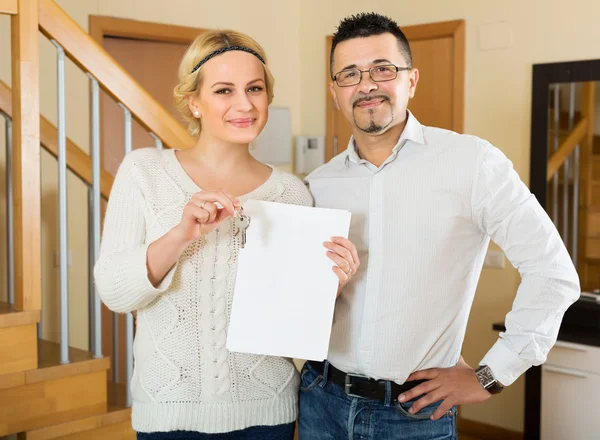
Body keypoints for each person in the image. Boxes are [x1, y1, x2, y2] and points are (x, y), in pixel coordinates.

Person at [299, 12, 580, 440]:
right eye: (350, 74)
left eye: (383, 69)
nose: (367, 84)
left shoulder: (472, 163)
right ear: (336, 92)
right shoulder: (317, 185)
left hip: (413, 414)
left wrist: (492, 374)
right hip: (322, 401)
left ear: (411, 80)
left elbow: (553, 273)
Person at [94, 29, 359, 440]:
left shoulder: (291, 192)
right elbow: (114, 291)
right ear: (193, 102)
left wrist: (331, 287)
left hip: (267, 412)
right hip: (168, 412)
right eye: (223, 90)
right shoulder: (144, 171)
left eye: (255, 88)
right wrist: (182, 233)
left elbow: (297, 323)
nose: (244, 104)